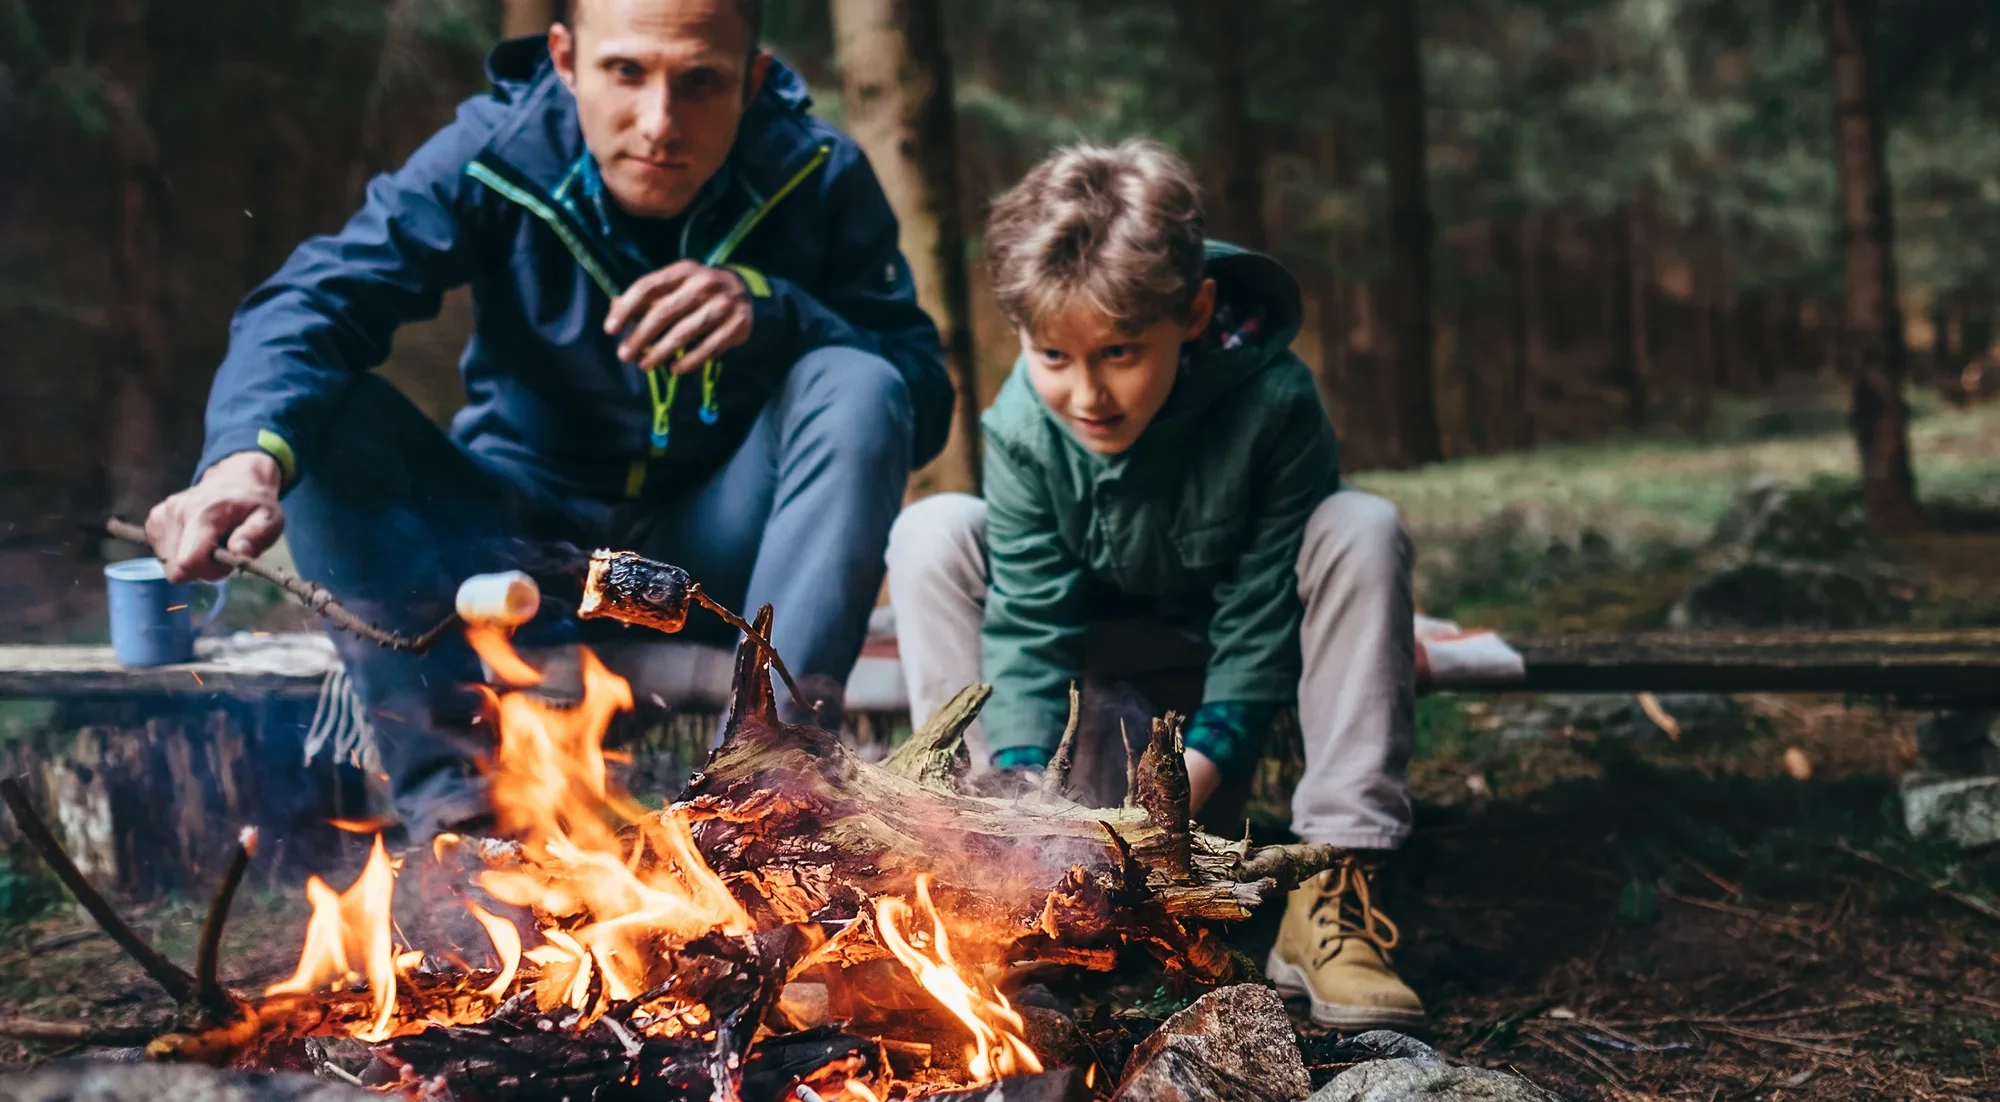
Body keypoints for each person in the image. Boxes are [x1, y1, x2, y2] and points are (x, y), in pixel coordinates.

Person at [143, 0, 952, 841]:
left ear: (751, 78)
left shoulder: (817, 174)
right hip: (515, 560)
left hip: (715, 577)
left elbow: (918, 399)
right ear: (566, 59)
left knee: (857, 380)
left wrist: (779, 313)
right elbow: (313, 302)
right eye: (626, 72)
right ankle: (462, 826)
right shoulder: (498, 154)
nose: (659, 122)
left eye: (701, 82)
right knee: (321, 410)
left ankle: (768, 803)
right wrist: (244, 462)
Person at [884, 140, 1423, 1030]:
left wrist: (1168, 805)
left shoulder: (1275, 403)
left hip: (1221, 662)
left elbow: (1260, 620)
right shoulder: (1025, 419)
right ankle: (985, 873)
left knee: (1361, 527)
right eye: (1052, 355)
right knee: (932, 530)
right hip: (1088, 675)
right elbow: (1026, 618)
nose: (1087, 393)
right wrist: (1038, 817)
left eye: (1121, 352)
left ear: (1195, 311)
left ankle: (1332, 884)